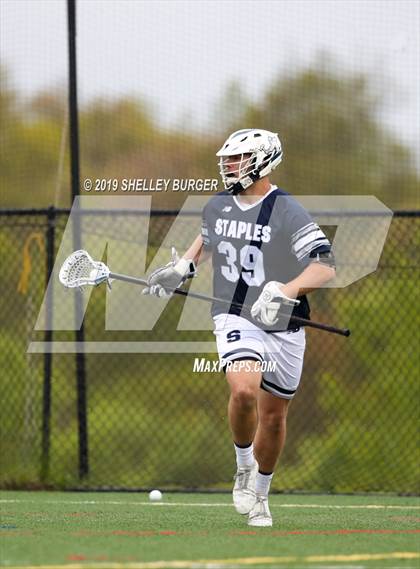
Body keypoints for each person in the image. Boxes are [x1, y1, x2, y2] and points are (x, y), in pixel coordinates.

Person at [143, 129, 336, 527]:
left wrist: (286, 289)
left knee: (274, 417)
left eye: (238, 158)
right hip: (235, 315)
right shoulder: (217, 205)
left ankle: (261, 496)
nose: (229, 166)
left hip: (284, 323)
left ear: (262, 161)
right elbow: (209, 240)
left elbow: (324, 266)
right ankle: (244, 465)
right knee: (245, 391)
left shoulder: (286, 210)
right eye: (228, 159)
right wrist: (184, 266)